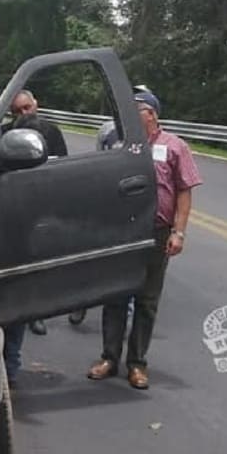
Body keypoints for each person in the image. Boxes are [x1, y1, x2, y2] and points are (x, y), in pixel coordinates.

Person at [86, 90, 202, 389]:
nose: (131, 113)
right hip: (123, 230)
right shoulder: (122, 145)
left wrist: (179, 231)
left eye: (137, 108)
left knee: (147, 300)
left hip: (157, 231)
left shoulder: (174, 147)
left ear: (151, 113)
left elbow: (184, 191)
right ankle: (109, 358)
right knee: (115, 296)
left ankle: (137, 364)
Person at [70, 85, 158, 325]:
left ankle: (123, 311)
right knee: (92, 258)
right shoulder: (109, 130)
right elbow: (99, 161)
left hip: (135, 211)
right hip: (108, 206)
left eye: (140, 106)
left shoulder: (155, 140)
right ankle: (81, 302)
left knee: (128, 263)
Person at [0, 89, 68, 385]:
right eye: (18, 111)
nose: (25, 114)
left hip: (42, 217)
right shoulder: (2, 135)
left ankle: (35, 315)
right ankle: (6, 366)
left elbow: (63, 171)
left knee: (35, 279)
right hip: (9, 220)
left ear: (36, 103)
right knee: (10, 290)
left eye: (28, 107)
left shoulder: (51, 132)